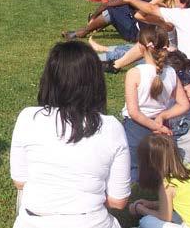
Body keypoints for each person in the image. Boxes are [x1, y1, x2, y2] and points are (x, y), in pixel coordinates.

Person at [10, 41, 130, 228]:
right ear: (96, 81)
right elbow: (118, 201)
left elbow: (20, 182)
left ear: (50, 79)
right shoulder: (111, 128)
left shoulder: (27, 118)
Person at [122, 26, 189, 181]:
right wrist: (163, 116)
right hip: (162, 127)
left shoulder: (135, 73)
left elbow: (134, 112)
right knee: (159, 166)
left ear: (141, 46)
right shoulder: (171, 72)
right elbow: (184, 104)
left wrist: (156, 126)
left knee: (133, 166)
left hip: (136, 127)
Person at [64, 0, 149, 42]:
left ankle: (83, 32)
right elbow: (122, 5)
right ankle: (92, 28)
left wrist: (93, 17)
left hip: (135, 34)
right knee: (116, 9)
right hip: (145, 34)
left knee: (111, 11)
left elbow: (106, 5)